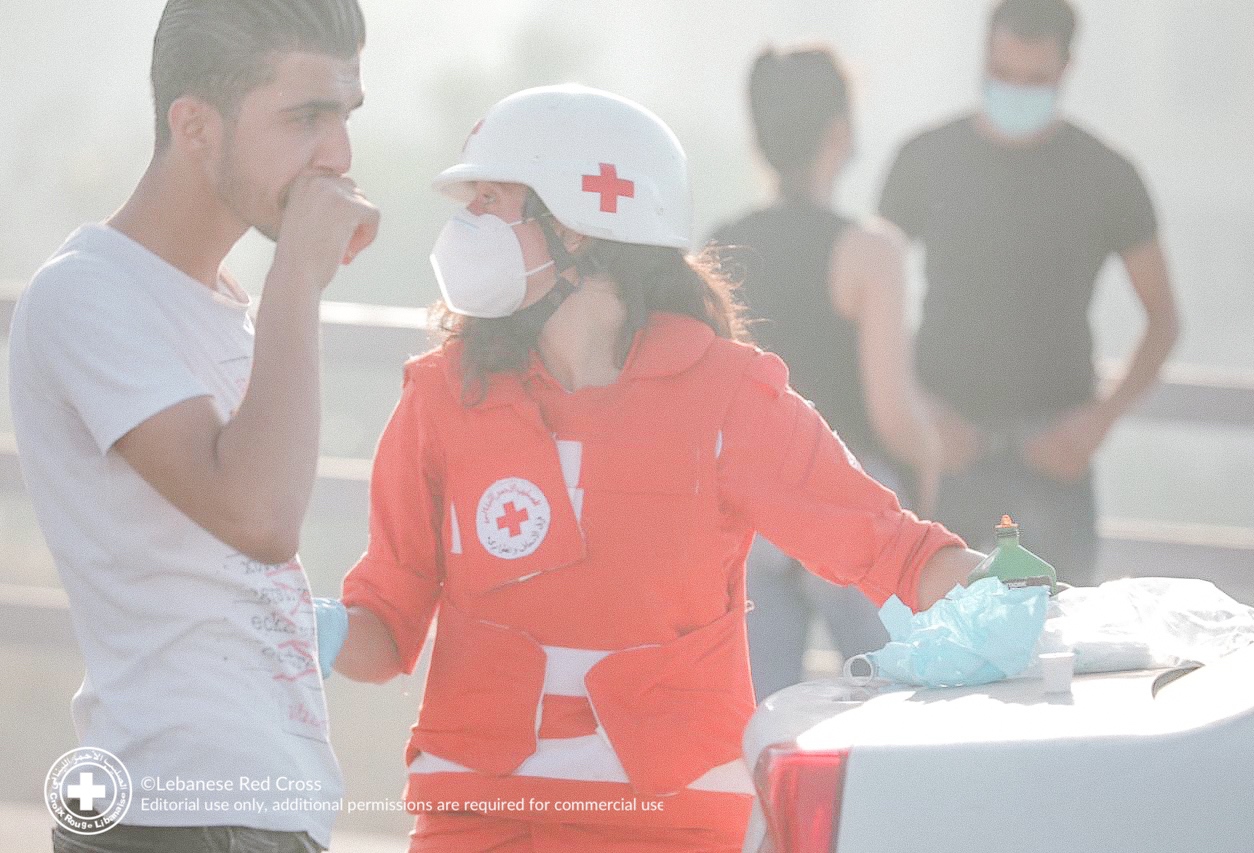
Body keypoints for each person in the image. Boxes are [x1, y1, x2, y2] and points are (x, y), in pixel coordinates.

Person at [330, 84, 984, 853]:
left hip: (672, 821)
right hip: (476, 815)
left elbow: (894, 551)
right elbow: (387, 626)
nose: (466, 224)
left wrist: (1024, 599)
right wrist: (301, 623)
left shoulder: (727, 397)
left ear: (576, 224)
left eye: (492, 199)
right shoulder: (442, 396)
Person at [8, 1, 377, 851]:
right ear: (195, 127)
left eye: (346, 116)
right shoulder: (87, 292)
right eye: (304, 116)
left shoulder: (225, 307)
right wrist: (297, 276)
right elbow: (259, 517)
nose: (339, 155)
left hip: (253, 816)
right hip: (172, 814)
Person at [879, 0, 1179, 585]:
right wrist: (919, 411)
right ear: (982, 58)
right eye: (1003, 73)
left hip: (1056, 458)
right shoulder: (923, 160)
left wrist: (1096, 423)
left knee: (1062, 634)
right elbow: (871, 303)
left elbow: (1163, 319)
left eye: (1034, 78)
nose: (1016, 89)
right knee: (932, 633)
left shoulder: (1107, 174)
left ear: (1066, 68)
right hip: (944, 454)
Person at [711, 46, 942, 700]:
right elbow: (893, 415)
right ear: (839, 132)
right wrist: (931, 462)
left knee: (761, 722)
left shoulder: (720, 248)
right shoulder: (872, 250)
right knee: (896, 709)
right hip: (848, 506)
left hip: (754, 512)